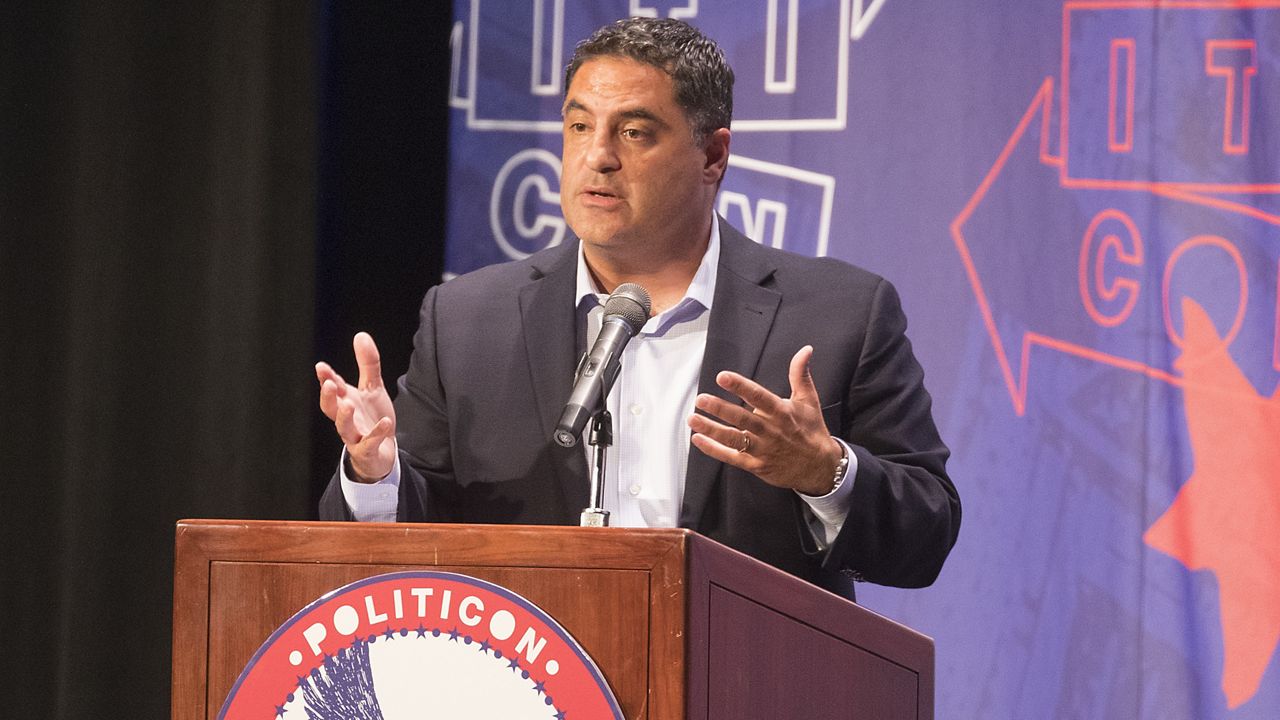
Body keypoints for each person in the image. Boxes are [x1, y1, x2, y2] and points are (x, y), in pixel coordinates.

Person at [315, 17, 959, 599]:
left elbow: (927, 533)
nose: (597, 156)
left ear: (713, 156)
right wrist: (377, 474)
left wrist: (827, 473)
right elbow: (409, 548)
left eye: (633, 131)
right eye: (578, 126)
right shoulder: (467, 321)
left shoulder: (840, 314)